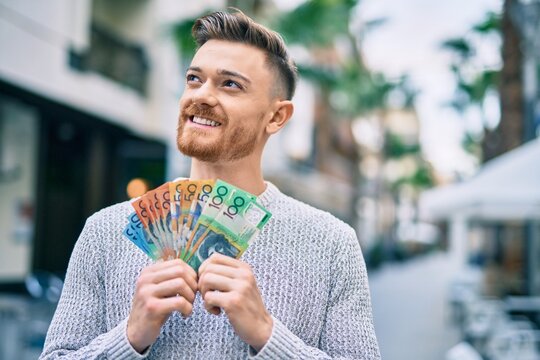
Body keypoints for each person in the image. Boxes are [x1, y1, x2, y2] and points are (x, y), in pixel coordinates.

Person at [40, 10, 381, 359]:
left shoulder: (332, 244)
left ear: (277, 117)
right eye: (193, 79)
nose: (200, 95)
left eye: (230, 83)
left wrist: (267, 334)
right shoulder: (104, 232)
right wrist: (129, 337)